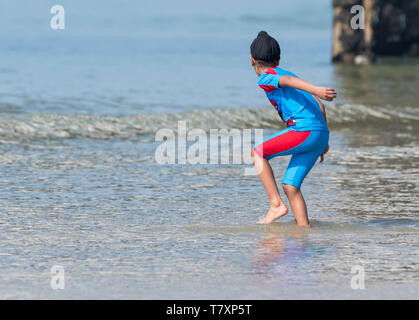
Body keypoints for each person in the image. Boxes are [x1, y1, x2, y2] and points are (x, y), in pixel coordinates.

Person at [250, 31, 336, 227]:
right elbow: (318, 105)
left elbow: (289, 84)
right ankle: (303, 231)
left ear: (252, 60)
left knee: (258, 152)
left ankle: (276, 204)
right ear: (278, 59)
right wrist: (324, 140)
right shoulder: (287, 73)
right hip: (320, 133)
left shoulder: (266, 77)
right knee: (291, 186)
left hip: (304, 131)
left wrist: (316, 89)